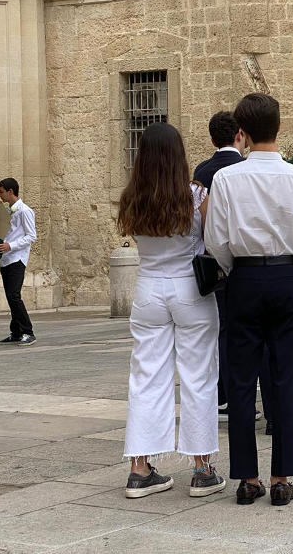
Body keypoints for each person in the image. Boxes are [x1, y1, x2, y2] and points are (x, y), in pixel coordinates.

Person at [205, 93, 293, 506]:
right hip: (285, 274)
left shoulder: (226, 179)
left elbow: (215, 241)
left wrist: (237, 267)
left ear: (241, 132)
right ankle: (281, 477)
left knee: (241, 378)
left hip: (243, 277)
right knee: (284, 376)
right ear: (279, 127)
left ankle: (247, 477)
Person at [118, 123, 225, 500]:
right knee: (199, 376)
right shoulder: (196, 195)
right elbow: (214, 241)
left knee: (146, 376)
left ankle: (139, 467)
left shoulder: (132, 197)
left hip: (149, 288)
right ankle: (201, 468)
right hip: (190, 288)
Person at [192, 112, 248, 420]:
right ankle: (243, 394)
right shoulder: (244, 168)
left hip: (214, 262)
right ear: (240, 134)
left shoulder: (203, 170)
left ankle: (222, 393)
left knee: (221, 329)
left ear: (213, 139)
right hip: (244, 260)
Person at [0, 178, 37, 346]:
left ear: (10, 191)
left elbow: (31, 236)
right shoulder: (8, 211)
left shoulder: (24, 211)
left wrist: (10, 245)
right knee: (10, 296)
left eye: (1, 192)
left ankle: (28, 331)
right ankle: (16, 331)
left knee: (14, 295)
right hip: (6, 258)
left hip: (17, 258)